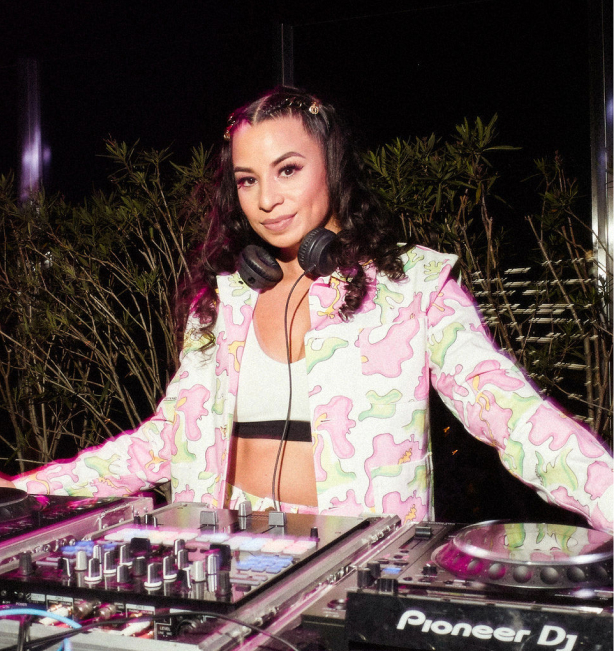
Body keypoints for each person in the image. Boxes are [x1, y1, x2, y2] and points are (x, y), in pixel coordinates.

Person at [1, 87, 612, 533]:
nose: (266, 199)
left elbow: (507, 410)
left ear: (332, 164)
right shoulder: (224, 300)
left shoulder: (414, 287)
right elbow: (164, 442)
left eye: (287, 169)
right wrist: (23, 493)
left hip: (357, 567)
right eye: (246, 180)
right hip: (220, 557)